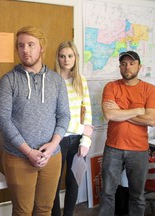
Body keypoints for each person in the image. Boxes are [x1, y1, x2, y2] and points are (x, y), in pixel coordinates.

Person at [0, 26, 70, 215]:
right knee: (22, 211)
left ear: (41, 48)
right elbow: (3, 120)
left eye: (30, 45)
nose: (25, 50)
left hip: (51, 157)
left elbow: (64, 115)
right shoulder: (8, 81)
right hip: (18, 158)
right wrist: (28, 152)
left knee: (45, 209)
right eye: (21, 46)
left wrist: (53, 144)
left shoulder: (56, 81)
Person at [98, 51, 155, 216]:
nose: (127, 67)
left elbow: (151, 120)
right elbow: (109, 115)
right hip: (113, 148)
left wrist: (121, 112)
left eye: (131, 63)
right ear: (120, 67)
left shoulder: (149, 90)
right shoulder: (111, 87)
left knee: (137, 195)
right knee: (107, 193)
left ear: (139, 66)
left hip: (139, 150)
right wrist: (138, 110)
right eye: (123, 64)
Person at [52, 41, 93, 216]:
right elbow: (52, 116)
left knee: (73, 181)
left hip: (77, 140)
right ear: (57, 58)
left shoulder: (81, 81)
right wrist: (81, 128)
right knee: (53, 183)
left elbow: (88, 112)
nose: (66, 60)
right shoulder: (52, 80)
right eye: (62, 56)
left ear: (75, 57)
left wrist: (86, 141)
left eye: (70, 56)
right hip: (56, 139)